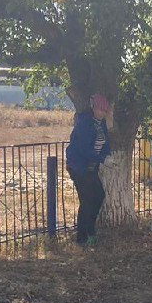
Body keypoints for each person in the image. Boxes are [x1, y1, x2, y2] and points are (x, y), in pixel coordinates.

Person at [65, 94, 111, 245]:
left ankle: (90, 229)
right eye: (101, 110)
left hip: (91, 167)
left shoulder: (100, 122)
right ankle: (82, 238)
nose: (103, 113)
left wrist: (107, 155)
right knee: (87, 202)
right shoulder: (85, 122)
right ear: (94, 108)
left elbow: (105, 142)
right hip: (79, 167)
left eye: (105, 111)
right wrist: (103, 159)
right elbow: (84, 149)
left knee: (99, 196)